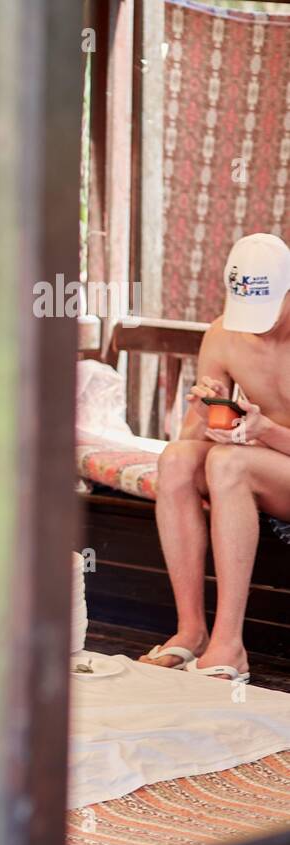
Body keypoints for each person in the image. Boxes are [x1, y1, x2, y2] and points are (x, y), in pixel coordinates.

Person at [143, 234, 290, 682]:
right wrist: (200, 412)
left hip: (267, 458)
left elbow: (241, 448)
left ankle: (230, 644)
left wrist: (264, 431)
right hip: (267, 464)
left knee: (227, 464)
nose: (256, 327)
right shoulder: (223, 333)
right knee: (175, 459)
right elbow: (195, 440)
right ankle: (191, 631)